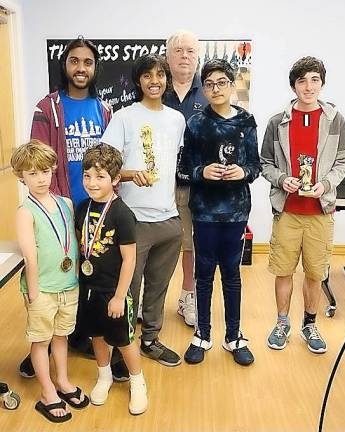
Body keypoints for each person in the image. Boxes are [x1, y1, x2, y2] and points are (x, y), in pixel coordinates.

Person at [20, 36, 127, 380]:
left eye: (88, 63)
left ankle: (83, 337)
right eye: (75, 61)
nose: (81, 68)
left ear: (95, 68)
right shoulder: (48, 107)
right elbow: (37, 156)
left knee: (91, 276)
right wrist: (50, 203)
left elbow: (111, 160)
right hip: (62, 208)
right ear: (64, 65)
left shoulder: (105, 110)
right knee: (59, 275)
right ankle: (44, 342)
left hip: (96, 209)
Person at [260, 56, 345, 354]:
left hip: (320, 212)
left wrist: (324, 185)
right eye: (302, 81)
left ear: (321, 83)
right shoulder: (277, 122)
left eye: (314, 79)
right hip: (287, 212)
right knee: (283, 270)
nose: (308, 86)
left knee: (315, 273)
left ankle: (310, 324)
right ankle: (282, 322)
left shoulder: (335, 119)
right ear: (293, 85)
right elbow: (266, 164)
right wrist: (283, 179)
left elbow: (342, 161)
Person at [101, 53, 185, 367]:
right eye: (147, 75)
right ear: (138, 81)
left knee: (158, 287)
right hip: (133, 220)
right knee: (129, 288)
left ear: (167, 79)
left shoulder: (177, 119)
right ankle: (123, 349)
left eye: (160, 75)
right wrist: (127, 173)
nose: (154, 81)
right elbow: (104, 164)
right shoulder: (125, 116)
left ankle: (150, 340)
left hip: (169, 219)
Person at [177, 59, 261, 365]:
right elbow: (185, 168)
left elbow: (256, 165)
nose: (215, 89)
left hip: (236, 211)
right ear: (205, 87)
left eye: (221, 82)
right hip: (204, 212)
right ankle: (202, 334)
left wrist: (243, 171)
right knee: (203, 274)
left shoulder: (246, 121)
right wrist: (202, 171)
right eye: (209, 84)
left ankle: (234, 336)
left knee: (232, 274)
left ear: (231, 84)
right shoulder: (196, 124)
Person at [11, 140, 89, 423]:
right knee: (41, 340)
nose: (41, 178)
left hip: (69, 285)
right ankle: (47, 391)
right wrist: (34, 294)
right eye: (32, 173)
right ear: (21, 177)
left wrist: (76, 280)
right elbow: (31, 258)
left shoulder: (65, 203)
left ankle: (63, 381)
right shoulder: (25, 212)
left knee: (61, 336)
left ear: (54, 168)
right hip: (41, 288)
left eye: (45, 171)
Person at [75, 144, 147, 414]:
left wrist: (119, 297)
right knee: (96, 335)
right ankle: (104, 376)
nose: (92, 183)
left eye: (100, 176)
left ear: (116, 179)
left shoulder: (122, 214)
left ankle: (138, 382)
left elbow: (130, 260)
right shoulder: (82, 207)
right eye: (87, 176)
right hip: (89, 288)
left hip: (113, 292)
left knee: (124, 340)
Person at [164, 30, 208, 327]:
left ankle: (187, 297)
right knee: (155, 244)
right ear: (167, 56)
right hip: (157, 185)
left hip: (196, 185)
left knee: (192, 245)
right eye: (178, 50)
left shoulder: (208, 92)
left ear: (198, 58)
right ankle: (147, 298)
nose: (184, 56)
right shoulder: (154, 88)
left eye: (190, 51)